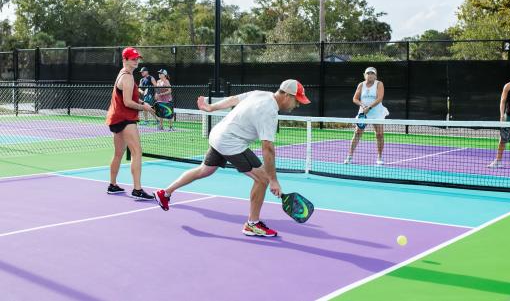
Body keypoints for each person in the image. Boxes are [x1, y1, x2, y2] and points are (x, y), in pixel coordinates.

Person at [153, 79, 311, 237]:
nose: (296, 105)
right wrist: (273, 179)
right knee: (263, 179)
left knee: (204, 170)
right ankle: (252, 224)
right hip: (231, 142)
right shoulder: (269, 111)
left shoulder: (260, 94)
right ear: (287, 96)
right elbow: (267, 148)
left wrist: (211, 107)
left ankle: (165, 193)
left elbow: (234, 99)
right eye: (296, 101)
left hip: (218, 134)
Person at [105, 47, 155, 200]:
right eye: (133, 59)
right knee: (137, 152)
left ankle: (112, 185)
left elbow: (126, 97)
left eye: (137, 58)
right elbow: (127, 102)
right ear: (125, 60)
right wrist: (143, 107)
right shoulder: (128, 77)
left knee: (118, 154)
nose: (136, 61)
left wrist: (142, 102)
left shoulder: (122, 74)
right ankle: (137, 189)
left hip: (115, 118)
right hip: (125, 118)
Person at [344, 66, 389, 165]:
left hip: (377, 113)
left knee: (379, 134)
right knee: (357, 133)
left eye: (372, 73)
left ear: (375, 76)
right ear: (365, 75)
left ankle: (379, 157)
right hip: (363, 113)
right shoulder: (361, 85)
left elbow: (379, 98)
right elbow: (355, 98)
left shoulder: (379, 84)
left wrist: (369, 107)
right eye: (368, 73)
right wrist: (363, 105)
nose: (370, 75)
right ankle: (350, 156)